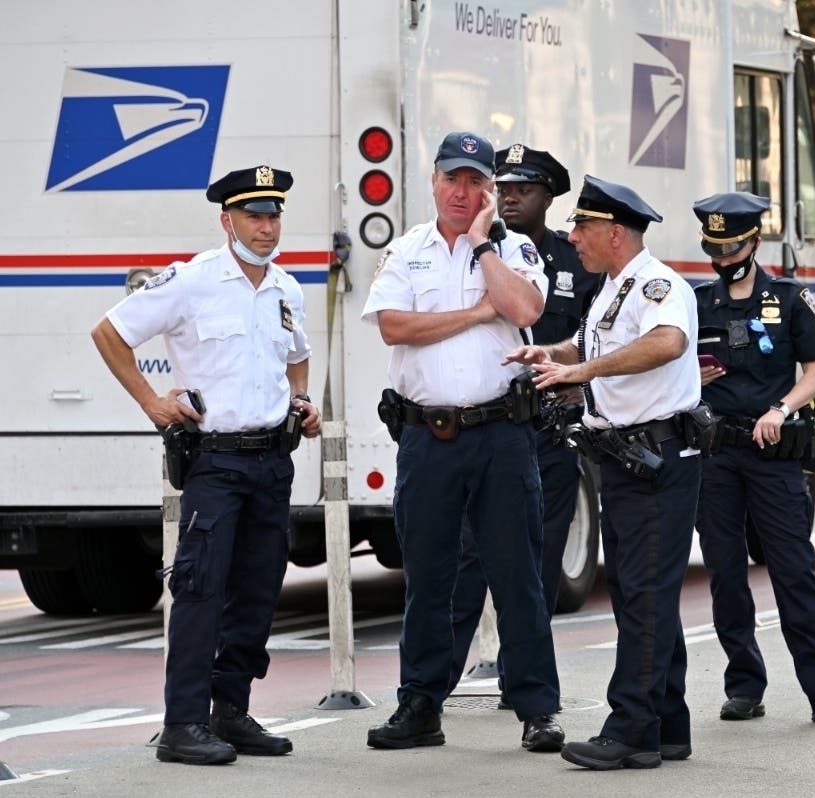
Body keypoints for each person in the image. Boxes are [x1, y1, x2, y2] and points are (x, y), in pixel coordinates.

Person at [91, 165, 321, 764]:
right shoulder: (190, 281)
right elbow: (110, 332)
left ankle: (232, 711)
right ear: (228, 220)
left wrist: (300, 400)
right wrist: (152, 402)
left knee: (258, 591)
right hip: (216, 463)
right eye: (254, 215)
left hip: (273, 460)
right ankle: (184, 723)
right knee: (199, 591)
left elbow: (297, 359)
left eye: (274, 215)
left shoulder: (285, 290)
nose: (266, 227)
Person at [360, 131, 565, 753]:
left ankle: (537, 709)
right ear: (434, 181)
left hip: (501, 433)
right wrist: (478, 315)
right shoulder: (406, 251)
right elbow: (395, 327)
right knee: (429, 576)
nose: (464, 192)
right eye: (454, 179)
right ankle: (420, 705)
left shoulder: (516, 247)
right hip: (428, 436)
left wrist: (482, 246)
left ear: (489, 192)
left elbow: (524, 307)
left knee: (517, 575)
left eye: (477, 182)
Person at [508, 175, 702, 771]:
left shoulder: (658, 284)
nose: (573, 237)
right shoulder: (614, 287)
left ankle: (631, 729)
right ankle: (667, 723)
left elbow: (667, 343)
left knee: (644, 595)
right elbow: (592, 343)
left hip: (654, 457)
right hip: (622, 458)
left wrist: (583, 373)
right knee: (638, 592)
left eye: (582, 227)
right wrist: (554, 355)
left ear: (613, 233)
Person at [690, 192, 815, 727]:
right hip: (717, 454)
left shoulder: (790, 299)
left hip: (772, 453)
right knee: (725, 573)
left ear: (754, 243)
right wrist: (688, 380)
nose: (723, 260)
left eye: (732, 248)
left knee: (794, 572)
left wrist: (781, 407)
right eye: (714, 250)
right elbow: (671, 366)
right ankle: (744, 684)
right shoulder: (698, 303)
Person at [447, 144, 599, 699]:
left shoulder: (575, 263)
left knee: (534, 568)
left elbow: (595, 344)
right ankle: (434, 688)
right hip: (485, 430)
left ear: (549, 197)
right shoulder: (477, 251)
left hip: (547, 432)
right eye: (503, 187)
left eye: (524, 189)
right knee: (466, 564)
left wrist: (578, 391)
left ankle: (522, 683)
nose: (510, 197)